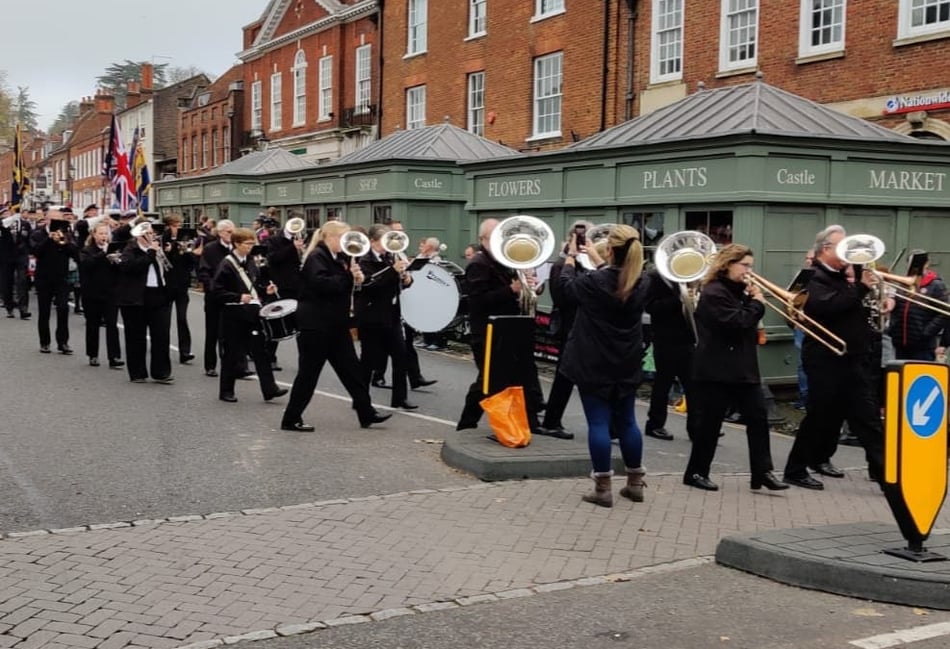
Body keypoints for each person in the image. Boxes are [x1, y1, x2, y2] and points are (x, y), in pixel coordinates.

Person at [783, 225, 885, 490]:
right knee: (819, 417)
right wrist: (860, 288)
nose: (848, 252)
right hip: (825, 359)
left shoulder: (842, 276)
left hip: (851, 358)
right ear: (825, 249)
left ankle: (886, 473)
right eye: (842, 247)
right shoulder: (814, 277)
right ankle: (795, 470)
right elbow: (825, 307)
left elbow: (849, 309)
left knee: (868, 418)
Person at [683, 244, 788, 492]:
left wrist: (752, 299)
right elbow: (737, 322)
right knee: (710, 424)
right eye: (745, 266)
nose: (749, 271)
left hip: (743, 368)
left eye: (751, 266)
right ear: (728, 264)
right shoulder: (714, 292)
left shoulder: (740, 291)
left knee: (758, 418)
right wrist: (758, 303)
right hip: (716, 369)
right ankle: (696, 472)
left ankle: (762, 472)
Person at [559, 225, 649, 506]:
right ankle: (635, 483)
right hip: (627, 360)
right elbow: (615, 279)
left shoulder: (594, 282)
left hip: (594, 360)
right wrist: (598, 260)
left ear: (610, 250)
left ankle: (602, 489)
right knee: (628, 421)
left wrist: (571, 258)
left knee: (598, 422)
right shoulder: (642, 281)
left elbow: (566, 288)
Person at [281, 221, 392, 431]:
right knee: (308, 375)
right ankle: (291, 418)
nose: (346, 243)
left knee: (352, 371)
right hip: (315, 325)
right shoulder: (317, 256)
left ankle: (366, 413)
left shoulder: (338, 258)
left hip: (335, 324)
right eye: (343, 238)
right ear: (329, 237)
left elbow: (342, 285)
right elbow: (323, 284)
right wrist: (348, 276)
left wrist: (357, 279)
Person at [456, 218, 543, 433]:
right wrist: (511, 290)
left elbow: (520, 289)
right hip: (487, 331)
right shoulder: (478, 264)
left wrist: (531, 286)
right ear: (482, 239)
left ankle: (531, 422)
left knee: (518, 375)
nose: (500, 241)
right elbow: (477, 302)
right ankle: (466, 424)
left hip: (508, 328)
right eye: (494, 237)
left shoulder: (507, 260)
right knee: (487, 381)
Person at [211, 228, 287, 403]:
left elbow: (254, 286)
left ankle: (270, 389)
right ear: (237, 244)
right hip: (233, 314)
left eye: (252, 244)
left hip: (252, 312)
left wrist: (265, 290)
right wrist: (237, 297)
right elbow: (216, 291)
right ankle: (226, 391)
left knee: (261, 352)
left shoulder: (251, 262)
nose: (251, 247)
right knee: (231, 353)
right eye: (247, 244)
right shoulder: (226, 264)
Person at [538, 222, 596, 440]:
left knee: (589, 377)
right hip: (570, 327)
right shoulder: (561, 265)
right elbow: (561, 297)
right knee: (565, 376)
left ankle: (608, 424)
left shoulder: (591, 265)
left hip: (587, 327)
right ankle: (551, 421)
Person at [356, 224, 417, 410]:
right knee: (368, 360)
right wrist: (392, 271)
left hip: (392, 314)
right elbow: (369, 285)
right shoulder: (364, 259)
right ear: (373, 241)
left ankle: (400, 398)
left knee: (400, 356)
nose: (387, 246)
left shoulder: (391, 256)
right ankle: (360, 399)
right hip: (372, 315)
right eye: (384, 242)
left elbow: (395, 282)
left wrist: (407, 279)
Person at [642, 265, 698, 442]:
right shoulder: (656, 277)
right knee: (663, 384)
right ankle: (655, 425)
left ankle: (696, 428)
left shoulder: (687, 275)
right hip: (665, 339)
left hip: (686, 338)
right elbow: (651, 307)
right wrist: (680, 299)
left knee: (693, 385)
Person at [115, 222, 173, 384]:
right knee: (136, 336)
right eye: (148, 233)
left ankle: (161, 372)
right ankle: (137, 373)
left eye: (152, 233)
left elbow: (169, 269)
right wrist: (150, 253)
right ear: (140, 236)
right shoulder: (130, 250)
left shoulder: (158, 248)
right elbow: (131, 267)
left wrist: (167, 252)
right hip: (137, 297)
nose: (152, 236)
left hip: (159, 293)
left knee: (161, 335)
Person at [30, 206, 79, 354]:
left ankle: (63, 342)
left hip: (61, 277)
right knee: (44, 311)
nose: (56, 222)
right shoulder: (38, 233)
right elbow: (36, 251)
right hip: (43, 277)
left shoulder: (67, 233)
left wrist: (64, 241)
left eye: (59, 219)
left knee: (63, 308)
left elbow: (75, 252)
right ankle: (45, 342)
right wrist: (49, 239)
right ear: (46, 220)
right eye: (53, 219)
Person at [887, 250, 949, 362]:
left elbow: (944, 312)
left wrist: (926, 332)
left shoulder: (936, 285)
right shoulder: (903, 283)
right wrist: (893, 326)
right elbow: (897, 307)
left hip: (923, 346)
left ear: (927, 264)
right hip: (900, 342)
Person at [78, 220, 123, 368]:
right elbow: (87, 264)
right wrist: (103, 253)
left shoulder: (113, 249)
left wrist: (117, 261)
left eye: (106, 233)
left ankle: (114, 357)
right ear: (94, 235)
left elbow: (120, 270)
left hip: (111, 292)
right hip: (92, 292)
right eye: (101, 233)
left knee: (112, 324)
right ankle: (93, 354)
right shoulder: (87, 250)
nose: (104, 236)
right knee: (93, 324)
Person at [197, 220, 235, 377]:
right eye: (228, 232)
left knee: (231, 333)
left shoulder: (236, 248)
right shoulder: (210, 248)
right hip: (214, 296)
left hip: (232, 295)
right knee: (212, 331)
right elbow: (203, 271)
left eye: (233, 231)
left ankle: (233, 365)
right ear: (220, 233)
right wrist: (212, 287)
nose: (231, 234)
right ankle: (210, 365)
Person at [161, 214, 197, 365]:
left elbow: (193, 263)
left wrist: (187, 251)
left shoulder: (185, 240)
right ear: (168, 226)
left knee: (182, 318)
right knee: (165, 320)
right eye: (175, 225)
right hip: (166, 285)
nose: (178, 228)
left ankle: (185, 352)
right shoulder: (162, 239)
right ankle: (162, 349)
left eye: (180, 225)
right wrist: (169, 250)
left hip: (182, 285)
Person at [0, 209, 33, 319]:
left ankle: (23, 309)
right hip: (5, 257)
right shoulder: (2, 225)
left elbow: (29, 240)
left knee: (22, 281)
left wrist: (31, 253)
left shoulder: (25, 224)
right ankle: (9, 307)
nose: (6, 214)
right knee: (6, 283)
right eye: (4, 214)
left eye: (8, 213)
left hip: (21, 256)